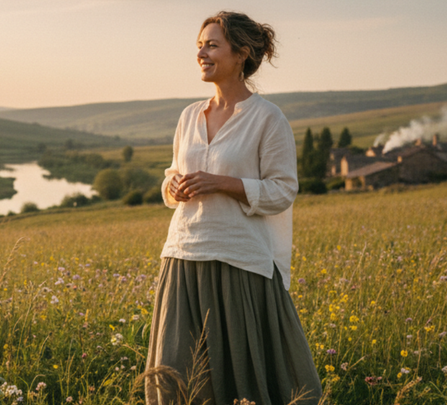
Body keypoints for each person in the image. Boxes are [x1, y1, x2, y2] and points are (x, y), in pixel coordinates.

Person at [144, 11, 322, 405]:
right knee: (175, 370)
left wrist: (221, 183)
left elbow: (282, 191)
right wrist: (172, 184)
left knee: (241, 372)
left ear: (241, 54)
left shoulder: (267, 119)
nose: (202, 54)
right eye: (199, 46)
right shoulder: (190, 115)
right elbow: (172, 178)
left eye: (212, 45)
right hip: (183, 254)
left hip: (240, 261)